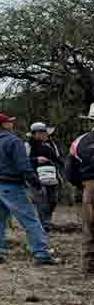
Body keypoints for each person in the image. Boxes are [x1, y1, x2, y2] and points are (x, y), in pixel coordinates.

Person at [0, 113, 54, 265]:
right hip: (11, 184)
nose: (12, 124)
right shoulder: (13, 140)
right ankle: (41, 254)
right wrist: (36, 184)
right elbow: (23, 165)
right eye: (9, 122)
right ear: (4, 125)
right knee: (30, 219)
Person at [68, 104, 94, 273]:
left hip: (90, 188)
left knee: (90, 228)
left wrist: (83, 186)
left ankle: (89, 266)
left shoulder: (79, 142)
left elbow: (70, 172)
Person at [25, 122, 63, 231]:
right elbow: (23, 161)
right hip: (35, 177)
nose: (46, 134)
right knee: (41, 201)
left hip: (52, 176)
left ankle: (46, 220)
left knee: (53, 200)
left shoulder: (51, 144)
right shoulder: (28, 145)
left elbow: (57, 158)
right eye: (44, 132)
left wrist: (60, 170)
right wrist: (36, 160)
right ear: (36, 133)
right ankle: (44, 225)